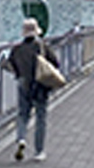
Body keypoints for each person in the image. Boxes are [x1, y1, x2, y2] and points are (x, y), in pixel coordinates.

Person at [8, 18, 59, 162]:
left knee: (23, 115)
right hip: (40, 84)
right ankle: (39, 151)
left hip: (23, 83)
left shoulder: (17, 49)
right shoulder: (42, 46)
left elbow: (12, 65)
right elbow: (55, 62)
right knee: (41, 118)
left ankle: (21, 138)